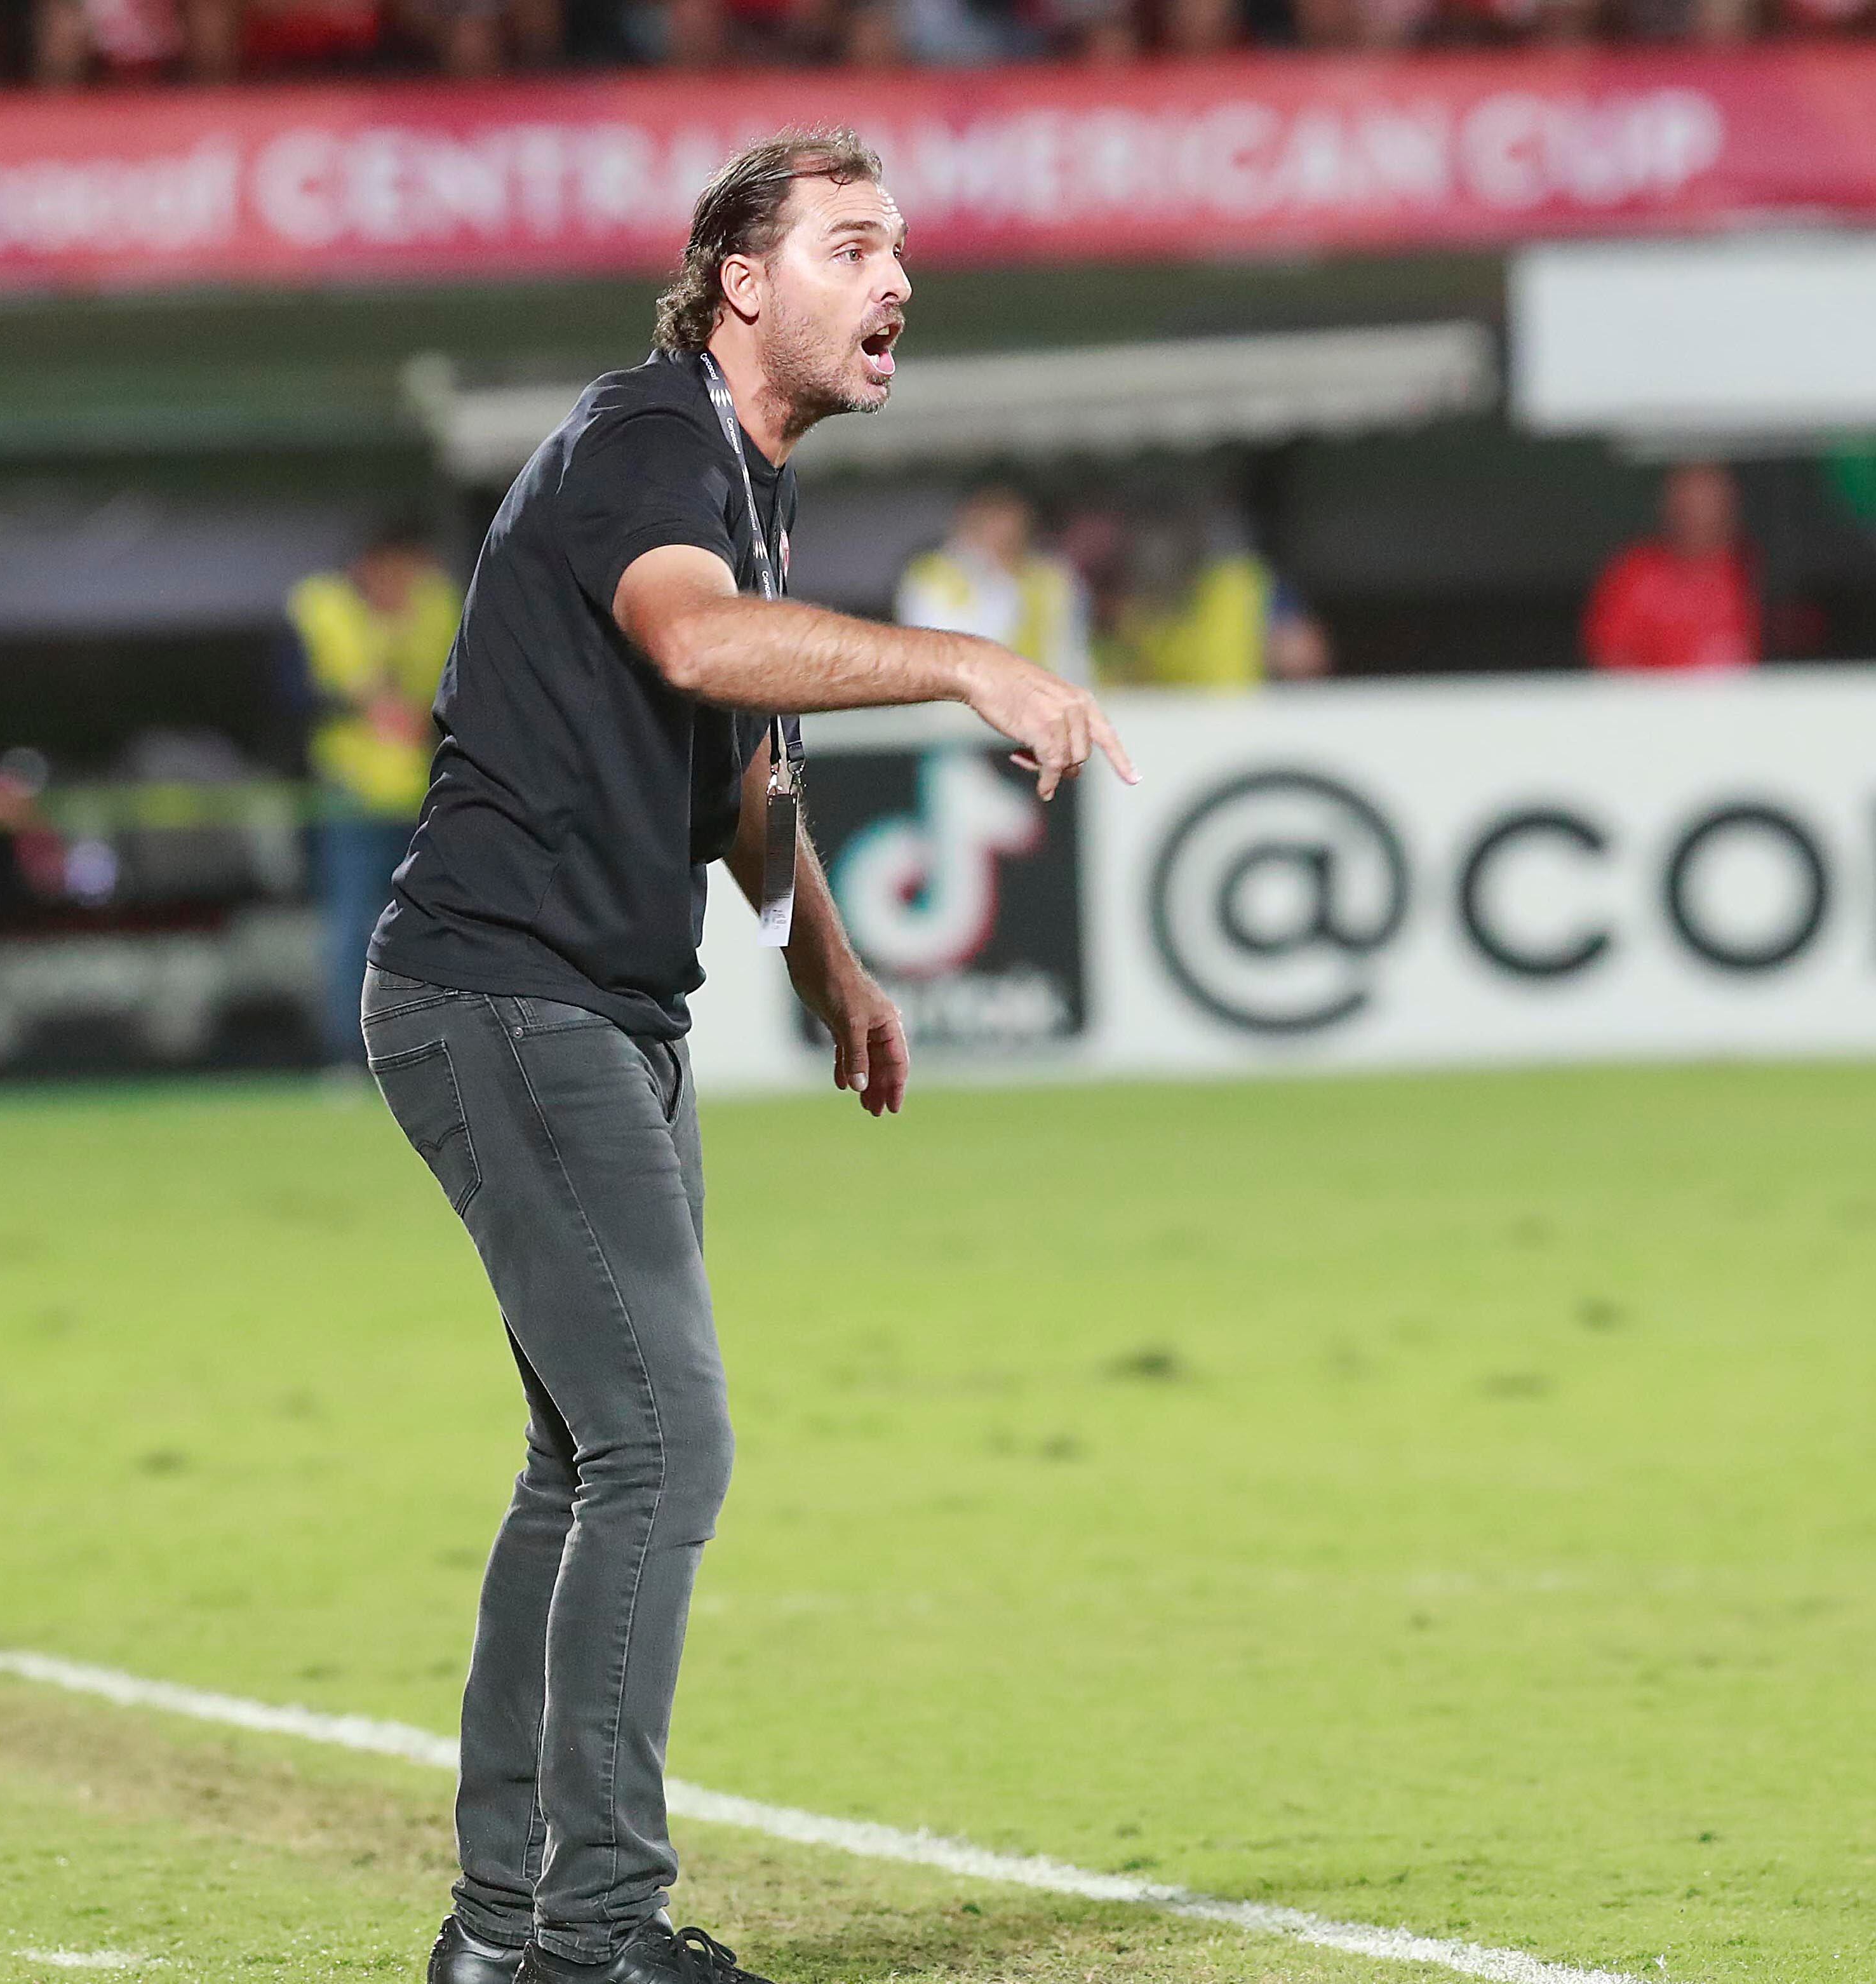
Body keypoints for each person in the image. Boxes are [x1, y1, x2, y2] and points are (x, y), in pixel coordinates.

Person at [365, 130, 1130, 1984]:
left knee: (584, 1459)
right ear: (740, 284)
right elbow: (701, 648)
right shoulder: (646, 439)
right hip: (509, 997)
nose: (896, 283)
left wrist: (829, 961)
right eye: (853, 247)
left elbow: (740, 778)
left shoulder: (735, 478)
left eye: (900, 253)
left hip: (593, 1014)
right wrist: (962, 659)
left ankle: (502, 1935)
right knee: (659, 1444)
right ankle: (597, 1938)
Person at [276, 517, 461, 1066]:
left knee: (437, 921)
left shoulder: (439, 604)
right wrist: (358, 706)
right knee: (349, 924)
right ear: (367, 565)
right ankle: (347, 1055)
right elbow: (285, 697)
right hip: (348, 792)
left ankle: (432, 1046)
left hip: (427, 792)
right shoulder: (319, 607)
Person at [1098, 498, 1327, 689]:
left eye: (1167, 535)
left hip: (1241, 731)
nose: (1159, 550)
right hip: (1165, 734)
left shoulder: (1240, 583)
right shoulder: (1124, 608)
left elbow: (1305, 657)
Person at [893, 483, 1093, 685]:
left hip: (1034, 705)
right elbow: (932, 654)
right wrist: (994, 578)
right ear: (968, 516)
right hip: (954, 709)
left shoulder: (1052, 576)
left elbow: (1071, 655)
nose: (1004, 527)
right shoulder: (932, 575)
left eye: (1010, 514)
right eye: (993, 514)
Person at [1582, 460, 1762, 673]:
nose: (1697, 515)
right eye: (1688, 503)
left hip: (1743, 703)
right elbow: (1610, 659)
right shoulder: (1634, 573)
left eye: (1708, 502)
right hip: (1654, 703)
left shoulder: (1749, 569)